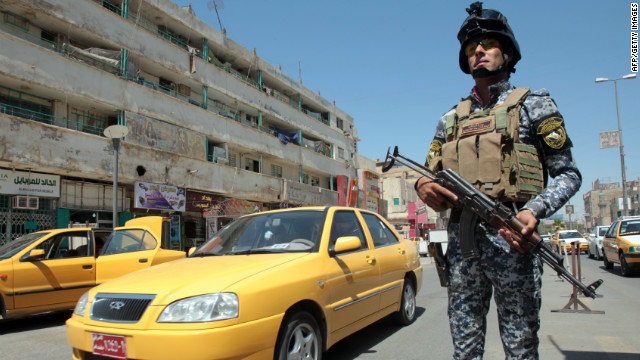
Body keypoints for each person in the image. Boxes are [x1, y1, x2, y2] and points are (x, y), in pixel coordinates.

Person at [415, 2, 581, 359]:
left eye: (488, 44)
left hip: (512, 240)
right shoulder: (450, 119)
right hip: (463, 247)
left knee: (520, 346)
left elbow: (567, 174)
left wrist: (534, 211)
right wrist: (422, 187)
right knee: (465, 344)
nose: (478, 51)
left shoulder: (534, 105)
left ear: (506, 53)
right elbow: (430, 175)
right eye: (471, 47)